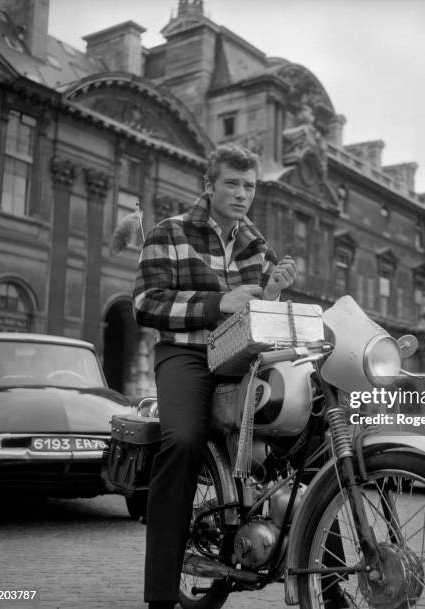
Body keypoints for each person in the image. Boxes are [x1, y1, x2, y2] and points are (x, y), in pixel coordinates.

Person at [133, 144, 297, 609]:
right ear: (209, 184)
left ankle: (327, 584)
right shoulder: (169, 232)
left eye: (250, 186)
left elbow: (259, 316)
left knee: (300, 440)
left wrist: (273, 292)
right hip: (184, 355)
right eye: (232, 183)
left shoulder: (256, 245)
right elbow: (145, 304)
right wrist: (216, 304)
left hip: (241, 357)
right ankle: (162, 596)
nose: (242, 193)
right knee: (183, 441)